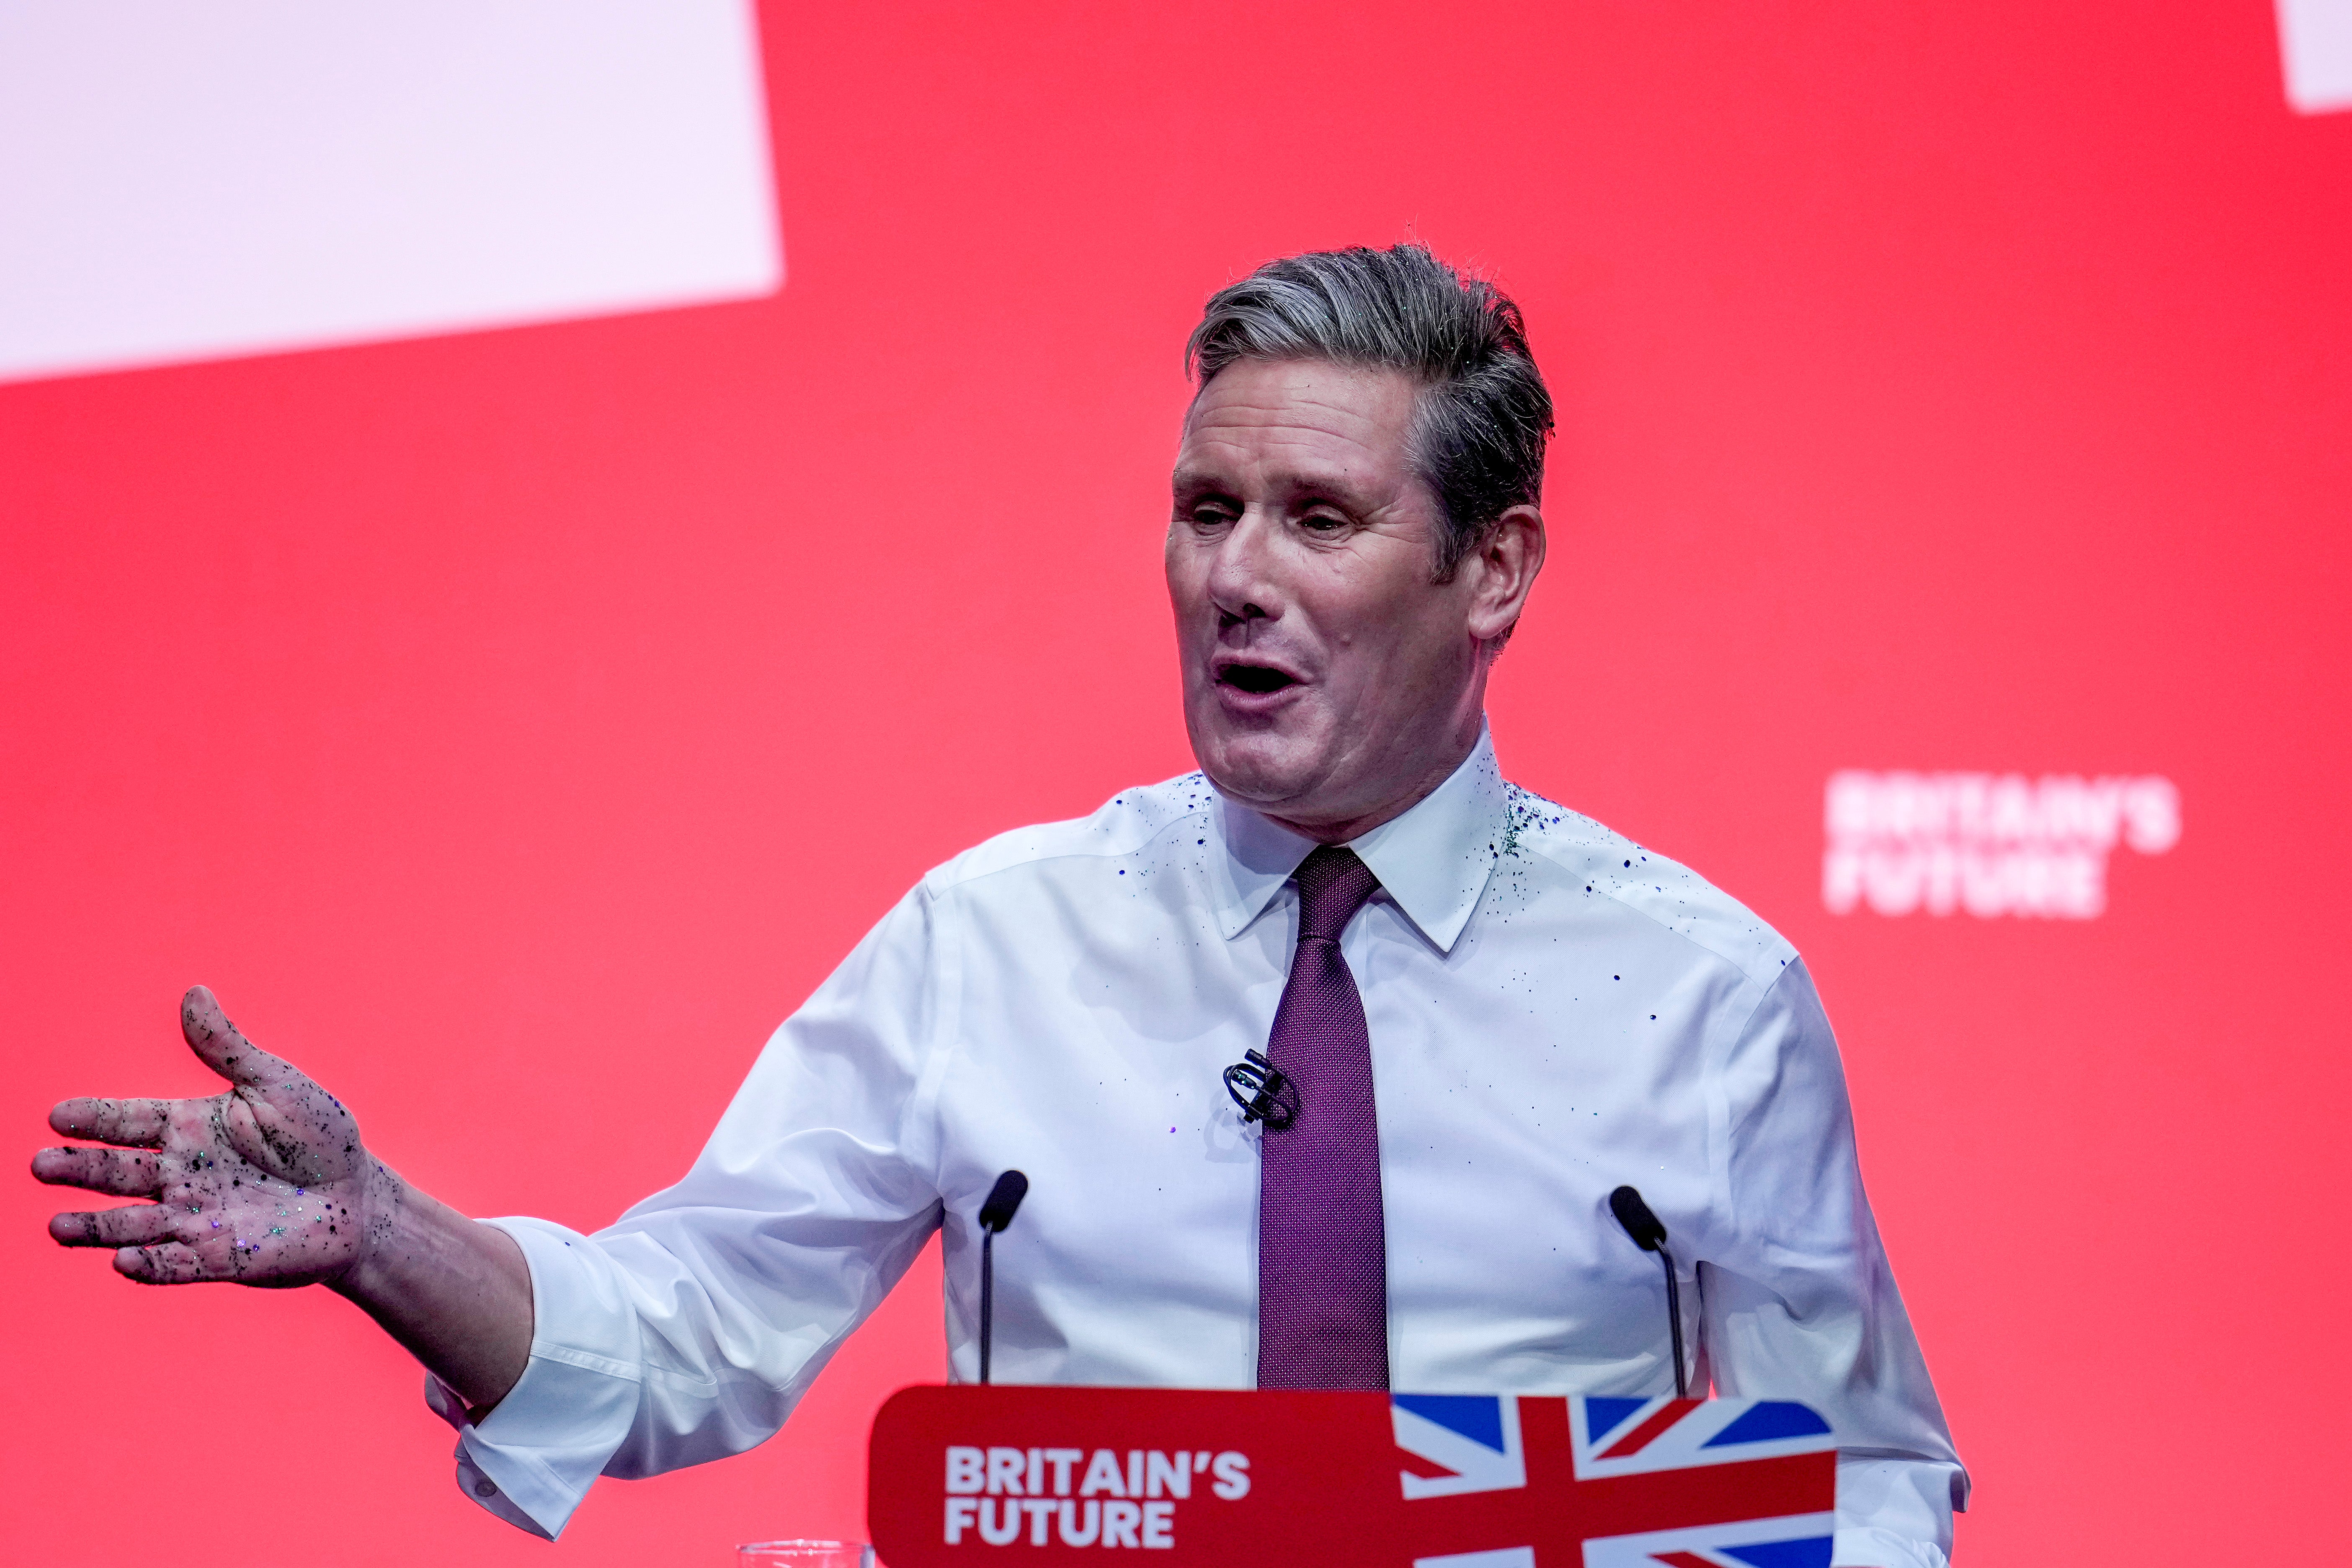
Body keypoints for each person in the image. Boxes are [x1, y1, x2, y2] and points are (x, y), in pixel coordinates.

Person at [34, 245, 1966, 1566]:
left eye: (1317, 519)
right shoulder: (994, 939)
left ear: (1494, 568)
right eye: (1207, 512)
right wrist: (382, 1234)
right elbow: (687, 1330)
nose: (1236, 579)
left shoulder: (1702, 995)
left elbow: (1865, 1485)